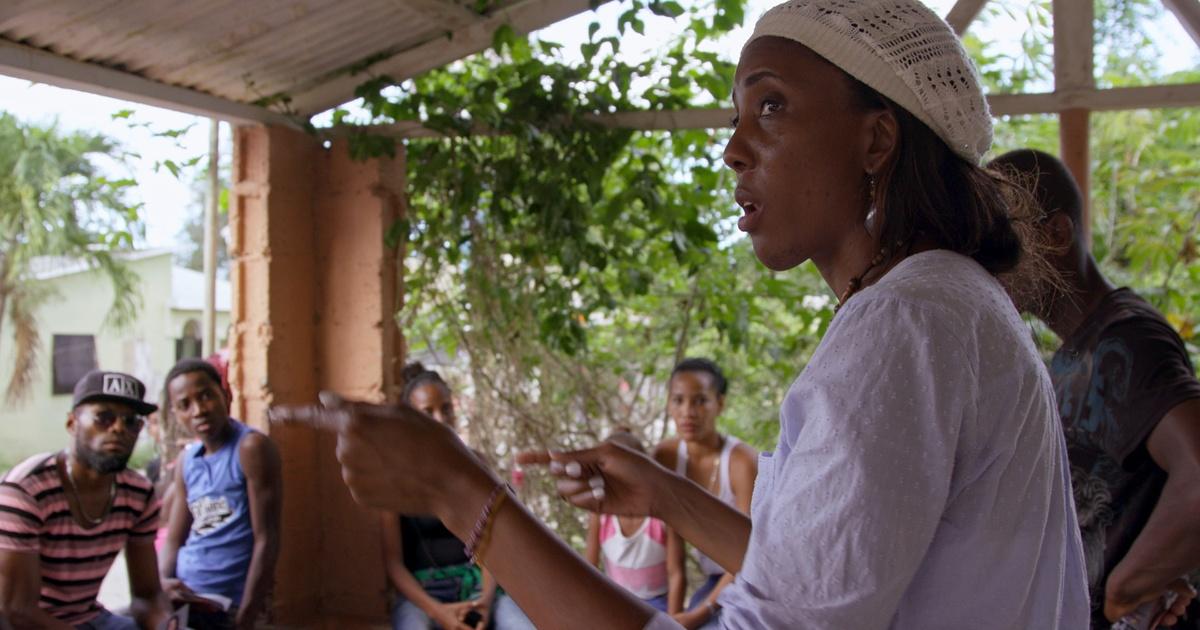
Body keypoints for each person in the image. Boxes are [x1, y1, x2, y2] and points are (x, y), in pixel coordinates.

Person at [271, 1, 1094, 628]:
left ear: (877, 141)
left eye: (770, 107)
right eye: (736, 116)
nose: (733, 146)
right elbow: (828, 577)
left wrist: (458, 491)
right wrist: (671, 498)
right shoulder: (945, 302)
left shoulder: (904, 326)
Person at [990, 148, 1200, 628]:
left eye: (1000, 243)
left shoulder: (1128, 340)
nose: (986, 265)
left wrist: (1127, 588)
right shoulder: (1071, 355)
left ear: (1056, 234)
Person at [0, 370, 171, 629]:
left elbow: (147, 595)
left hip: (88, 619)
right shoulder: (26, 489)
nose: (118, 428)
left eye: (131, 422)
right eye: (104, 417)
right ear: (72, 423)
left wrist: (165, 625)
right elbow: (17, 610)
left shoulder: (138, 494)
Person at [383, 363, 534, 630]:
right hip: (424, 597)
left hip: (480, 589)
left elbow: (494, 543)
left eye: (446, 409)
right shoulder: (392, 478)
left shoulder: (476, 465)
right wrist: (438, 612)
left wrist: (485, 602)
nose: (440, 419)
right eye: (427, 412)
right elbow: (393, 564)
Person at [159, 359, 282, 630]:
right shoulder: (187, 461)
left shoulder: (250, 448)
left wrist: (246, 616)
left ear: (226, 396)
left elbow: (267, 538)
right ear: (176, 414)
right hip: (184, 594)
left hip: (227, 602)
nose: (199, 410)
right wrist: (161, 584)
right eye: (185, 405)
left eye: (206, 396)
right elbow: (174, 539)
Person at [650, 360, 755, 628]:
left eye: (700, 401)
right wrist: (673, 619)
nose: (688, 412)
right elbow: (673, 542)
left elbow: (751, 552)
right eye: (678, 400)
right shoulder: (666, 457)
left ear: (720, 404)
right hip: (715, 580)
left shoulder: (742, 462)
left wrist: (701, 612)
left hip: (755, 578)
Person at [586, 430, 675, 613]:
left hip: (657, 602)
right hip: (616, 600)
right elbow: (590, 566)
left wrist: (674, 621)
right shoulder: (600, 513)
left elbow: (676, 574)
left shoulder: (662, 516)